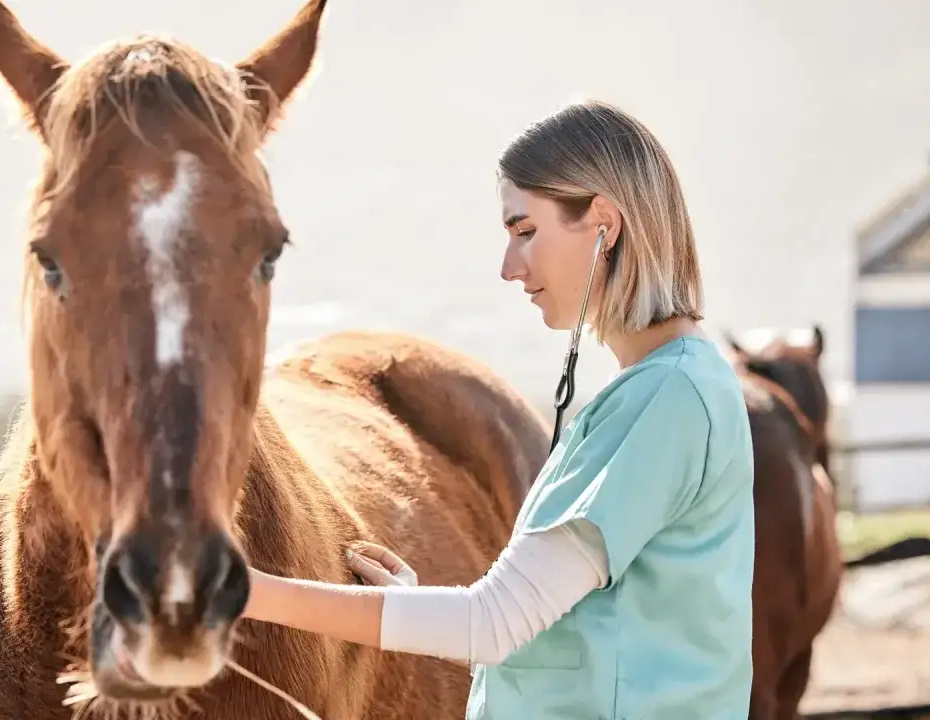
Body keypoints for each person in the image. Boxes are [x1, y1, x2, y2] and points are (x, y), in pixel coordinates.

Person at [241, 99, 756, 719]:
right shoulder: (670, 386)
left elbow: (492, 624)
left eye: (525, 231)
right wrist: (415, 603)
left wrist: (240, 593)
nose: (509, 268)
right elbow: (580, 631)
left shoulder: (666, 399)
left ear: (603, 224)